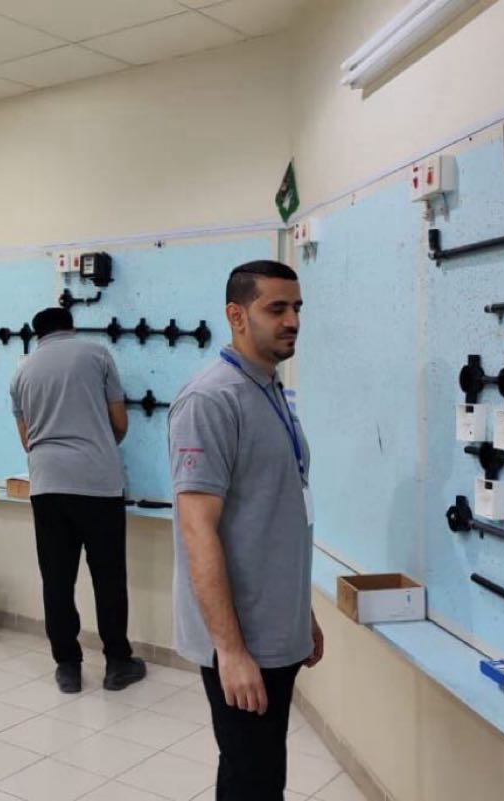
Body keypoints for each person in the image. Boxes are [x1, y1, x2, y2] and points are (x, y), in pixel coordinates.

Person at [169, 260, 324, 800]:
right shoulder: (210, 400)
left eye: (297, 308)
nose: (292, 321)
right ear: (236, 316)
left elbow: (274, 514)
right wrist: (230, 652)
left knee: (259, 771)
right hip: (241, 638)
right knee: (251, 779)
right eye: (276, 309)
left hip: (275, 627)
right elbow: (198, 532)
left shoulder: (268, 388)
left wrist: (300, 613)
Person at [10, 307, 146, 694]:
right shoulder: (97, 354)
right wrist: (96, 445)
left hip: (47, 485)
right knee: (108, 577)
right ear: (71, 327)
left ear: (38, 335)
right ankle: (117, 663)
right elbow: (119, 423)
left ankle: (67, 667)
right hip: (97, 483)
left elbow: (27, 440)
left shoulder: (22, 371)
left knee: (56, 579)